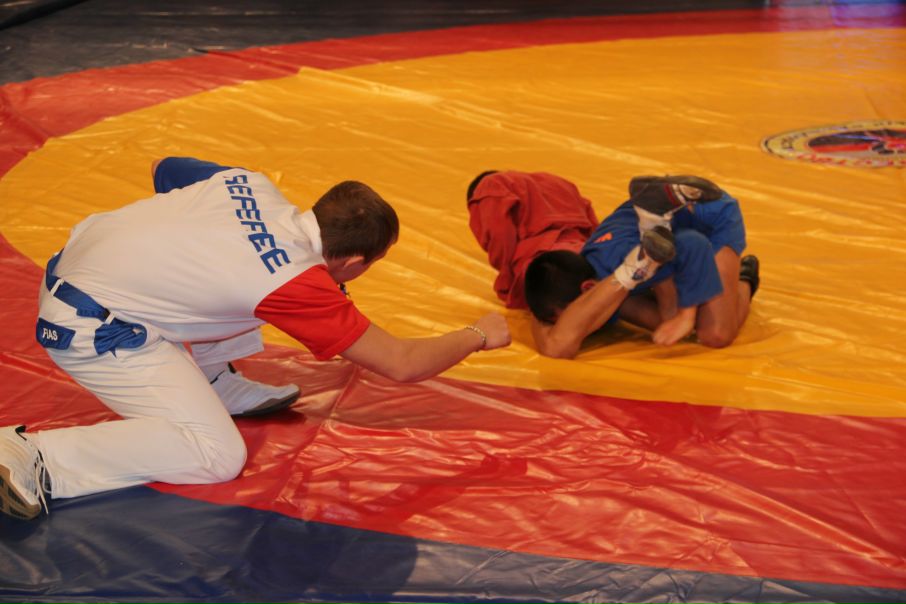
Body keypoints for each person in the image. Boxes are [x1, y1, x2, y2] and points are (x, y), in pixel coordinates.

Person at [0, 157, 511, 521]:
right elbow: (401, 361)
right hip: (90, 327)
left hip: (74, 270)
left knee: (233, 288)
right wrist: (478, 334)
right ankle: (34, 455)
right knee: (216, 456)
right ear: (356, 262)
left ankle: (214, 382)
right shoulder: (294, 282)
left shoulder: (251, 183)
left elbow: (165, 167)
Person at [467, 170, 758, 359]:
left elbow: (498, 239)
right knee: (671, 321)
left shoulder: (490, 189)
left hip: (703, 217)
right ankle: (658, 244)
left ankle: (744, 279)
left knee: (716, 333)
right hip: (607, 245)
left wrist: (509, 284)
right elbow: (589, 218)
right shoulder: (557, 185)